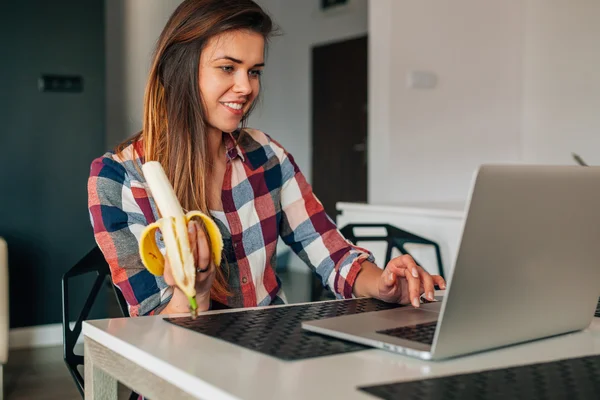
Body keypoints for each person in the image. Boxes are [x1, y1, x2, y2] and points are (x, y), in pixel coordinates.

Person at [87, 0, 446, 318]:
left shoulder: (267, 156)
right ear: (181, 68)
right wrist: (190, 292)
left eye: (254, 71)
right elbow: (151, 330)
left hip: (268, 348)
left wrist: (383, 283)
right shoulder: (119, 178)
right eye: (228, 68)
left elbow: (334, 255)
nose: (246, 87)